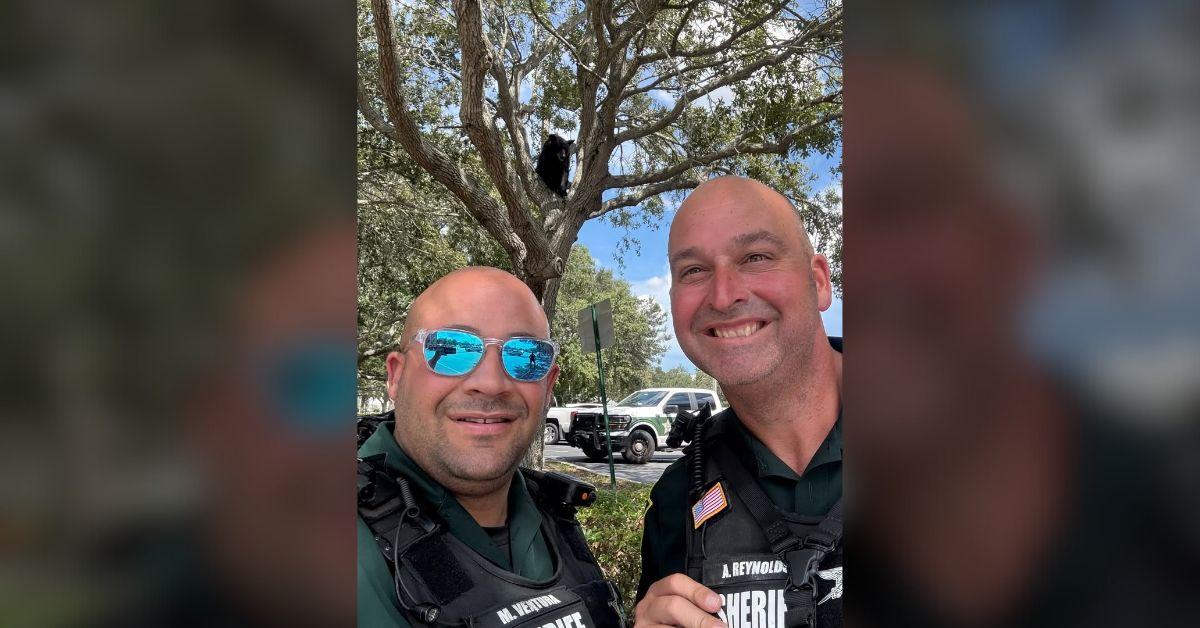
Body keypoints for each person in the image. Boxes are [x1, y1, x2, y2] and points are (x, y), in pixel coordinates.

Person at [357, 266, 624, 628]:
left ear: (548, 385)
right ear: (396, 375)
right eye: (452, 349)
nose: (492, 382)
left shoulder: (551, 511)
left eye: (526, 356)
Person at [634, 177, 843, 628]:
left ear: (819, 282)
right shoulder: (678, 499)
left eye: (756, 258)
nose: (724, 295)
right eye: (693, 271)